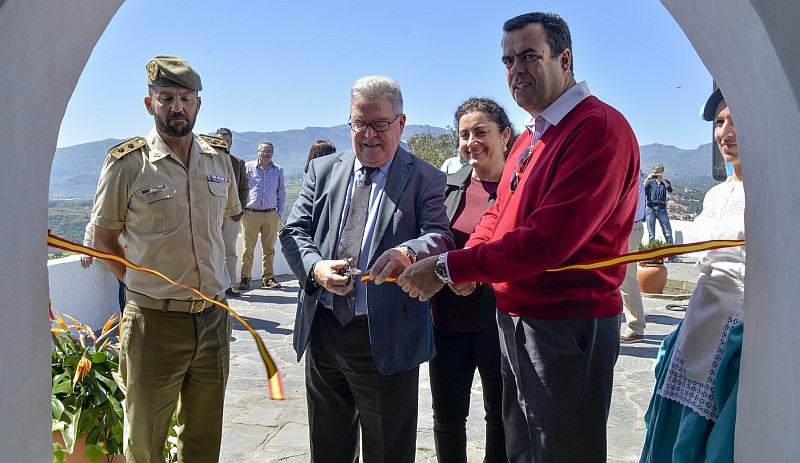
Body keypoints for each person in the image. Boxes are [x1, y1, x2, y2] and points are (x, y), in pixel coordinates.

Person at [397, 12, 640, 462]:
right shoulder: (533, 135)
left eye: (529, 56)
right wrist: (465, 263)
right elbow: (498, 215)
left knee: (561, 449)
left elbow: (548, 240)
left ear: (564, 59)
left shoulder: (597, 129)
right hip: (517, 318)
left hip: (564, 324)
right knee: (523, 449)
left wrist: (450, 267)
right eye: (508, 60)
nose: (516, 70)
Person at [279, 75, 453, 463]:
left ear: (401, 123)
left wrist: (408, 252)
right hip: (324, 331)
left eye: (380, 124)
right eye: (361, 123)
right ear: (350, 123)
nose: (369, 134)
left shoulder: (424, 177)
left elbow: (440, 235)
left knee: (388, 449)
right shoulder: (323, 170)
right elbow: (293, 230)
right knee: (327, 447)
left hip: (386, 335)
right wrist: (315, 268)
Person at [90, 54, 240, 463]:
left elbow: (225, 221)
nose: (177, 107)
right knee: (144, 444)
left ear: (198, 104)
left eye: (186, 98)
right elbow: (104, 239)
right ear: (149, 103)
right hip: (154, 323)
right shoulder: (127, 164)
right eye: (167, 97)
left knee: (204, 441)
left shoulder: (218, 159)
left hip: (212, 319)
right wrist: (142, 284)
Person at [640, 88, 744, 462]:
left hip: (738, 330)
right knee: (675, 423)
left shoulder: (776, 192)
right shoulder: (715, 196)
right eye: (719, 123)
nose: (725, 132)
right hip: (699, 317)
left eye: (735, 120)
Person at [429, 97, 514, 463]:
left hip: (499, 323)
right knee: (447, 418)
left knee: (500, 417)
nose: (471, 141)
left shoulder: (520, 189)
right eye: (464, 134)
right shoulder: (444, 187)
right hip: (446, 322)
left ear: (505, 135)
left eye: (481, 132)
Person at [239, 140, 285, 290]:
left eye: (269, 151)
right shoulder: (248, 168)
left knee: (269, 249)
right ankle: (245, 278)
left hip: (271, 214)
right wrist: (242, 210)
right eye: (264, 151)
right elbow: (242, 189)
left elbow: (281, 193)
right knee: (248, 249)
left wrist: (279, 214)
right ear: (258, 151)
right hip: (251, 214)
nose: (267, 154)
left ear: (273, 153)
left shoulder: (278, 170)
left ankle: (269, 277)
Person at [216, 127, 249, 297]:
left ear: (231, 142)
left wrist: (240, 210)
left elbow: (244, 188)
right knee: (210, 249)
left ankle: (230, 284)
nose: (224, 144)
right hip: (212, 214)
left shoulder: (238, 162)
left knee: (229, 250)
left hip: (232, 215)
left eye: (227, 141)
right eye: (221, 140)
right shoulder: (207, 160)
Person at [620, 178, 647, 342]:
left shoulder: (631, 167)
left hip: (628, 226)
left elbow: (631, 199)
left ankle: (636, 327)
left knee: (627, 280)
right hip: (627, 225)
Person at [80, 221, 126, 311]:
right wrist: (87, 250)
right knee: (126, 285)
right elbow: (92, 226)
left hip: (133, 256)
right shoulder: (110, 211)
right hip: (118, 257)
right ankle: (125, 318)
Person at [644, 163, 678, 262]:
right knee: (651, 233)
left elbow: (670, 190)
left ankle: (671, 256)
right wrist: (647, 179)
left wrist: (662, 179)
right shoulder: (650, 183)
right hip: (650, 208)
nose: (657, 174)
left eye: (659, 172)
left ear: (662, 172)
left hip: (662, 209)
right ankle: (652, 256)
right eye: (655, 172)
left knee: (668, 233)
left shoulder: (665, 182)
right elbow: (641, 190)